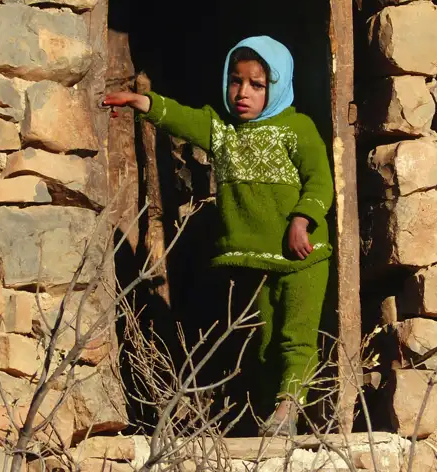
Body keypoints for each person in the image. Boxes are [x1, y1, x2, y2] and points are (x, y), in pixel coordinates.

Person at [103, 36, 334, 436]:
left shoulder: (296, 129)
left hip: (303, 256)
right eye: (235, 81)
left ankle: (288, 408)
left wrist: (302, 219)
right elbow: (182, 117)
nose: (243, 93)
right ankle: (266, 414)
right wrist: (142, 103)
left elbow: (320, 181)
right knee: (262, 343)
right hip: (251, 258)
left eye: (257, 85)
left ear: (276, 87)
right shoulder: (222, 130)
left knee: (295, 336)